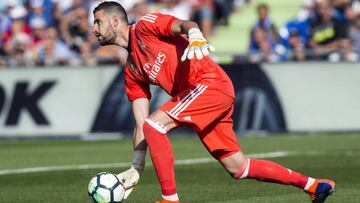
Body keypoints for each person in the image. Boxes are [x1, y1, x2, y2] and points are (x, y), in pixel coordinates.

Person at [92, 1, 335, 203]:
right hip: (201, 96)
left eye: (98, 21)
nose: (94, 29)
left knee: (156, 125)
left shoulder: (144, 26)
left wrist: (195, 33)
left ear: (115, 21)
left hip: (210, 83)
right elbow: (140, 121)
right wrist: (137, 165)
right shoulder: (132, 69)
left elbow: (183, 25)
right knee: (238, 167)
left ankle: (170, 200)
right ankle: (314, 186)